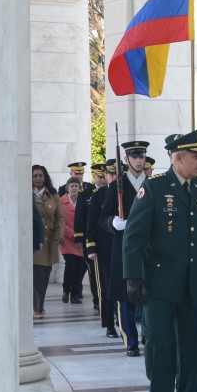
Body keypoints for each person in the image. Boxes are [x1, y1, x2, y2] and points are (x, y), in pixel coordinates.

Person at [123, 129, 197, 392]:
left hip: (194, 284)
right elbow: (133, 238)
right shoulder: (154, 189)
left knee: (192, 348)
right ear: (178, 159)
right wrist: (132, 277)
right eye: (195, 157)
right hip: (159, 285)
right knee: (159, 344)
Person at [101, 140, 149, 356]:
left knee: (150, 294)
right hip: (123, 246)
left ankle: (148, 334)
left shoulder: (154, 183)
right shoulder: (115, 186)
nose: (139, 160)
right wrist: (114, 223)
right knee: (124, 296)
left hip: (149, 247)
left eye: (142, 156)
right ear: (127, 159)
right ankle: (130, 340)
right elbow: (102, 219)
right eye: (135, 157)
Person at [87, 160, 118, 338]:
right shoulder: (97, 195)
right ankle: (109, 324)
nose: (113, 177)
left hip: (121, 246)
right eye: (110, 174)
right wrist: (91, 246)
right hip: (104, 248)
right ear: (105, 175)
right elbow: (91, 223)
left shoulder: (126, 192)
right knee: (106, 288)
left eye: (116, 174)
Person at [32, 164, 65, 319]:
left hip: (50, 239)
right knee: (37, 275)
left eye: (40, 175)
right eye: (35, 176)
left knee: (46, 274)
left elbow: (59, 216)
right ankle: (37, 308)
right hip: (35, 240)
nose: (38, 178)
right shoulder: (27, 193)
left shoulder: (52, 194)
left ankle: (39, 305)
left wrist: (60, 234)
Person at [73, 163, 104, 308]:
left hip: (106, 238)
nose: (103, 179)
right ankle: (97, 300)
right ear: (94, 176)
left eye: (105, 176)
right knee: (93, 272)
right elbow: (79, 216)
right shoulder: (85, 193)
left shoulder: (111, 191)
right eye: (100, 176)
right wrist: (79, 238)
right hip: (90, 239)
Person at [59, 177, 87, 303]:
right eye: (72, 186)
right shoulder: (61, 202)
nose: (74, 188)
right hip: (66, 240)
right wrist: (72, 234)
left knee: (80, 267)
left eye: (76, 186)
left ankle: (75, 294)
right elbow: (59, 221)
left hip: (79, 241)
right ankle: (66, 291)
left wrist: (80, 236)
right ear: (67, 188)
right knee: (70, 264)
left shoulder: (83, 201)